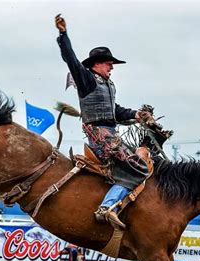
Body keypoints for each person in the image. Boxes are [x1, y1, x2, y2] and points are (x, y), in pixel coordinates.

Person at [55, 14, 153, 229]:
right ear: (97, 64)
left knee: (141, 162)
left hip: (110, 133)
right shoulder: (87, 79)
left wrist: (137, 114)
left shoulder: (107, 85)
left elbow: (115, 111)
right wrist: (63, 35)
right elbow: (71, 59)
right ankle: (107, 207)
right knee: (138, 168)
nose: (112, 68)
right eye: (109, 64)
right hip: (100, 135)